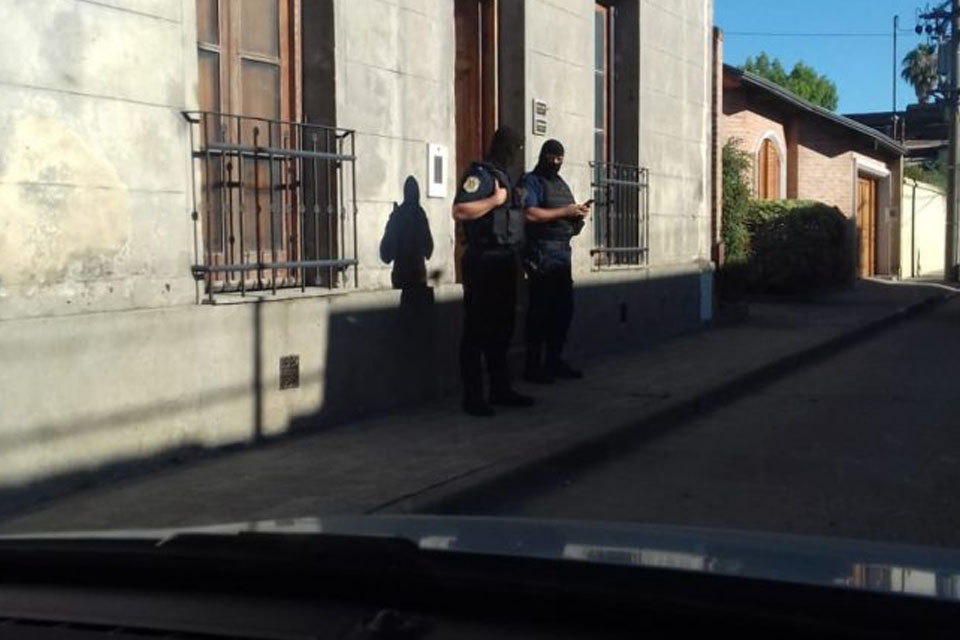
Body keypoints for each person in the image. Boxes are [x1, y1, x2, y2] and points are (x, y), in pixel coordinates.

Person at [453, 127, 534, 417]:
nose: (516, 153)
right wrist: (494, 201)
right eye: (513, 147)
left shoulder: (505, 177)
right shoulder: (481, 175)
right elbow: (460, 211)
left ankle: (500, 389)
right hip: (482, 261)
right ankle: (473, 397)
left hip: (504, 261)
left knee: (502, 330)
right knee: (477, 330)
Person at [520, 139, 590, 384]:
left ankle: (554, 360)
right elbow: (529, 213)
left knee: (563, 310)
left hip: (562, 253)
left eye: (560, 158)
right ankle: (532, 366)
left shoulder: (560, 184)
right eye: (552, 157)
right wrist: (564, 212)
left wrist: (577, 216)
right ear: (543, 156)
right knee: (540, 311)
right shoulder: (531, 181)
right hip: (541, 253)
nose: (556, 162)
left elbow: (567, 216)